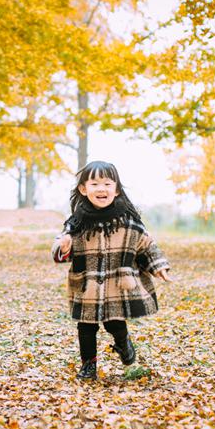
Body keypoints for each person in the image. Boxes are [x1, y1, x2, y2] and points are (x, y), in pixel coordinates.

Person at [51, 160, 172, 380]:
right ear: (83, 189)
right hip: (86, 284)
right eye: (95, 183)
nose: (101, 189)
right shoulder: (76, 224)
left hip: (118, 283)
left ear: (116, 190)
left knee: (114, 322)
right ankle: (88, 365)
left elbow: (146, 246)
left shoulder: (128, 222)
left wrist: (159, 266)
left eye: (107, 183)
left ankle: (123, 343)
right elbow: (60, 247)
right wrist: (63, 247)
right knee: (86, 326)